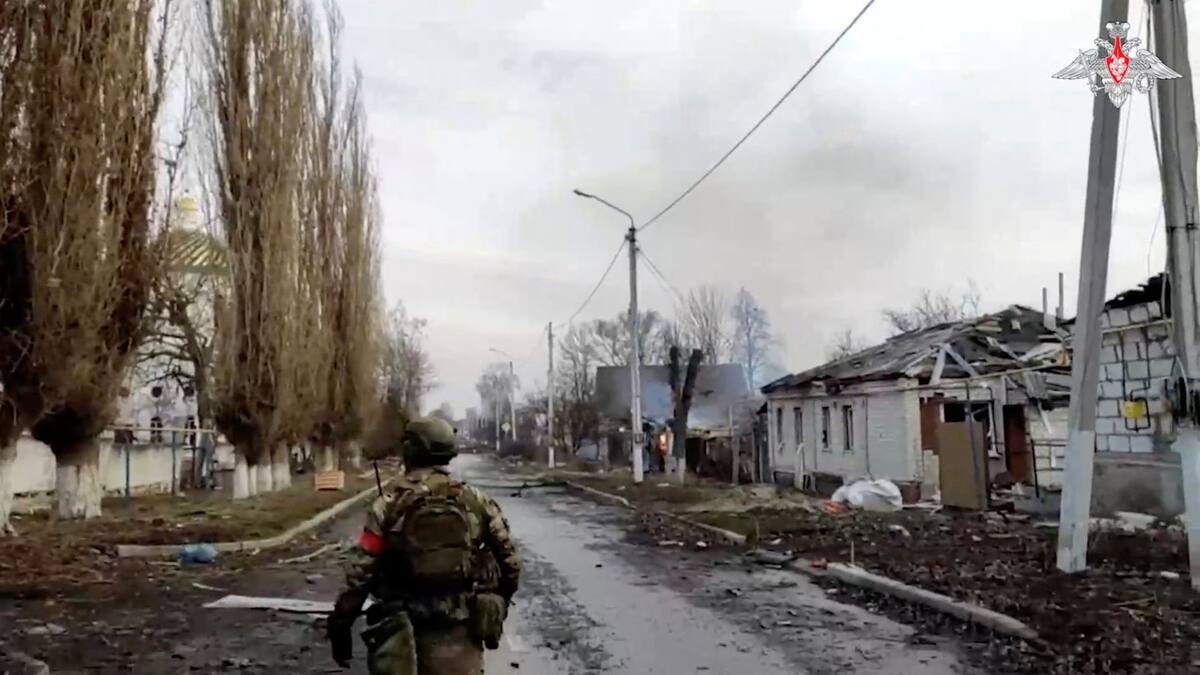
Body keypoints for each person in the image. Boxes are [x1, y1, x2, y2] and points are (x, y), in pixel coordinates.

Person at [327, 416, 521, 675]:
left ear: (410, 450)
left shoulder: (387, 505)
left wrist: (340, 625)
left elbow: (360, 573)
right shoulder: (475, 501)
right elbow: (510, 561)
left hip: (402, 640)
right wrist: (499, 605)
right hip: (460, 638)